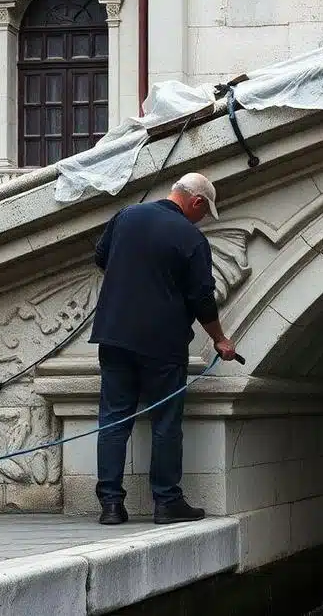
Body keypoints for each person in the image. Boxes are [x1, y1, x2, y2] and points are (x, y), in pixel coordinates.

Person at [90, 173, 239, 526]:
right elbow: (202, 298)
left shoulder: (127, 215)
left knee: (114, 419)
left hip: (114, 334)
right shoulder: (191, 238)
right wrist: (220, 339)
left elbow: (101, 256)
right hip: (163, 342)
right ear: (196, 201)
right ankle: (167, 502)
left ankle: (111, 505)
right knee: (166, 422)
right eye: (204, 212)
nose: (202, 219)